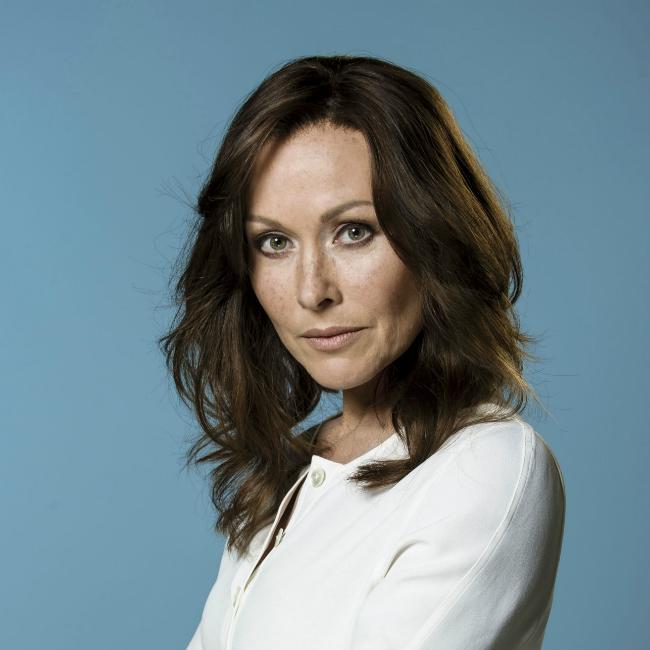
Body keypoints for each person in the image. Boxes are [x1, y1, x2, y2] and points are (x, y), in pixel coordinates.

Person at [159, 54, 566, 650]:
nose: (312, 290)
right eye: (274, 242)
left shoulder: (485, 467)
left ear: (435, 234)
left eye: (354, 231)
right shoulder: (290, 475)